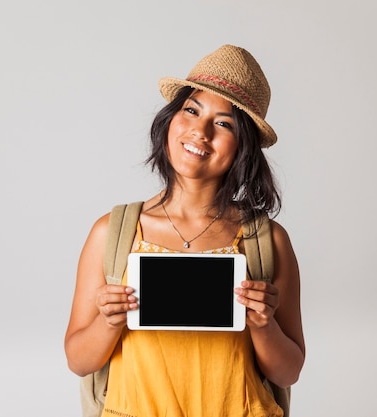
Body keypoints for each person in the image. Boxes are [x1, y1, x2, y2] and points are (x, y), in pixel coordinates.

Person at [65, 44, 305, 417]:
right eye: (191, 110)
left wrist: (263, 324)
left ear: (244, 147)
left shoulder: (266, 241)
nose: (200, 130)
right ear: (170, 119)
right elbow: (79, 362)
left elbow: (288, 372)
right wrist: (108, 321)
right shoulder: (113, 232)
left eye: (223, 123)